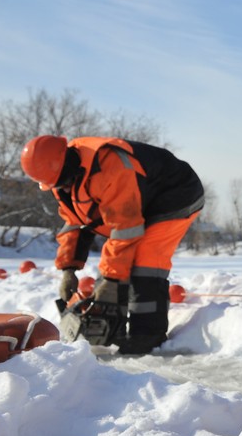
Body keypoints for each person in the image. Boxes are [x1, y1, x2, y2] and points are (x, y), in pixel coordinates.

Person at [20, 135, 205, 354]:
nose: (63, 188)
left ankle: (146, 338)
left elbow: (125, 229)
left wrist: (110, 280)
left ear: (67, 162)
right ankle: (112, 331)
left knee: (145, 262)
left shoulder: (109, 166)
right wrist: (68, 269)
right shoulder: (61, 180)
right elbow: (74, 224)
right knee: (113, 272)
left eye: (63, 182)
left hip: (176, 194)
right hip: (141, 203)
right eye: (57, 185)